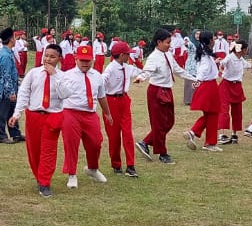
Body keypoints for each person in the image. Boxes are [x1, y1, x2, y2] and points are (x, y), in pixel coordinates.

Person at [9, 41, 64, 196]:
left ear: (59, 59)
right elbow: (24, 93)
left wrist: (54, 76)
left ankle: (45, 182)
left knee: (48, 150)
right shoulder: (33, 73)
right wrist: (17, 114)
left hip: (52, 116)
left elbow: (65, 93)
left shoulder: (62, 76)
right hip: (34, 116)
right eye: (46, 56)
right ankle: (39, 176)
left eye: (52, 57)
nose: (48, 59)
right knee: (34, 150)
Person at [53, 44, 108, 187]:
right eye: (82, 60)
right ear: (76, 59)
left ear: (93, 60)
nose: (85, 63)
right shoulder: (67, 75)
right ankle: (72, 174)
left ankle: (92, 169)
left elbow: (101, 96)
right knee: (71, 144)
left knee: (96, 142)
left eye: (88, 60)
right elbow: (59, 95)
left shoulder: (97, 76)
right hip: (71, 112)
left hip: (90, 114)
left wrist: (107, 113)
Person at [137, 31, 178, 164]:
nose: (169, 45)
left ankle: (145, 142)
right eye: (167, 42)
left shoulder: (168, 54)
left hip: (167, 90)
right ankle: (162, 153)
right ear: (159, 42)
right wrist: (141, 77)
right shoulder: (153, 57)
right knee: (159, 124)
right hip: (156, 91)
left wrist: (194, 78)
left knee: (169, 122)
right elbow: (147, 71)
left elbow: (177, 69)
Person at [101, 40, 141, 176]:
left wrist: (147, 73)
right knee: (114, 136)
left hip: (124, 100)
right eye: (128, 54)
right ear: (122, 55)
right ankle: (116, 164)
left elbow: (139, 72)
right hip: (111, 101)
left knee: (128, 133)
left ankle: (130, 166)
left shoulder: (127, 67)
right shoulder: (110, 68)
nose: (129, 56)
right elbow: (102, 81)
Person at [0, 28, 26, 144]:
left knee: (12, 111)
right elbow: (6, 75)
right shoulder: (5, 55)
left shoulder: (8, 52)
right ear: (11, 39)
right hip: (4, 90)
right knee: (2, 113)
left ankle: (15, 133)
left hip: (10, 88)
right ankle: (2, 136)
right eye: (14, 37)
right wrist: (11, 92)